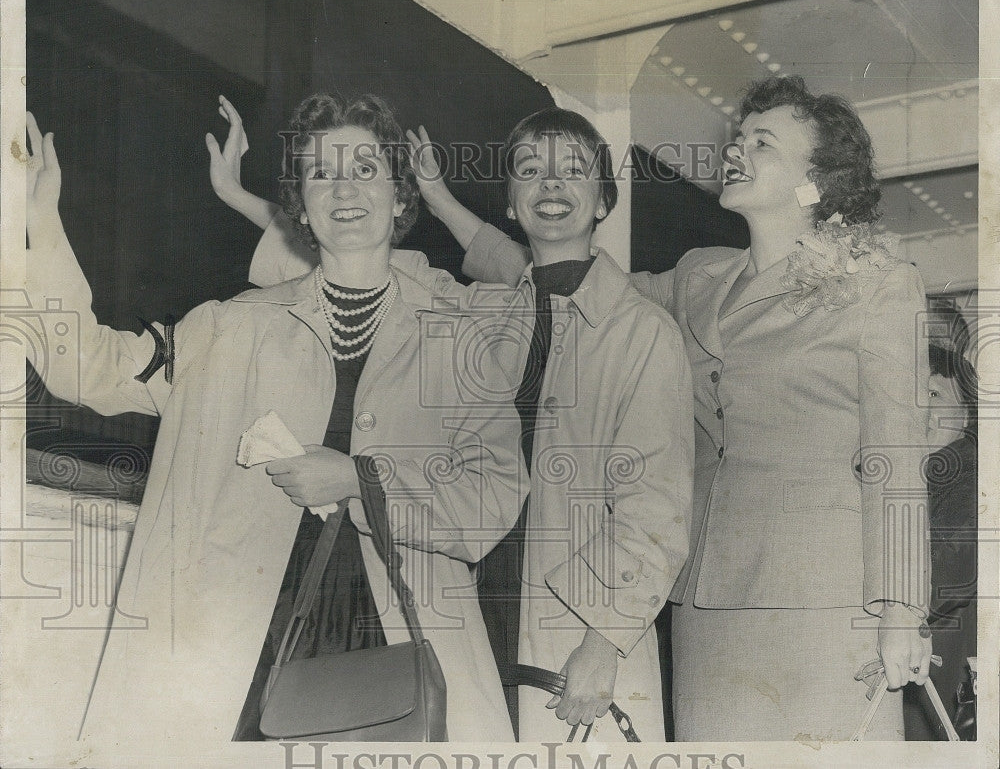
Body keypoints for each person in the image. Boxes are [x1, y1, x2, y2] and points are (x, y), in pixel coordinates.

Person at [406, 76, 935, 740]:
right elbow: (560, 276)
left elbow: (897, 460)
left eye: (761, 141)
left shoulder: (879, 287)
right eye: (737, 138)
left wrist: (901, 611)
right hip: (704, 605)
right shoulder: (696, 277)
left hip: (829, 604)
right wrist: (443, 204)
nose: (735, 150)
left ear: (816, 178)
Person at [23, 93, 524, 752]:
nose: (343, 188)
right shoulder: (230, 329)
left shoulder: (461, 343)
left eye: (365, 168)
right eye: (321, 172)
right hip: (245, 650)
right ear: (301, 207)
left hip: (403, 645)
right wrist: (40, 222)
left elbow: (492, 499)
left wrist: (357, 478)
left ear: (401, 196)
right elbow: (87, 366)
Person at [224, 105, 694, 742]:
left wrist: (605, 642)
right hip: (472, 612)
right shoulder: (471, 311)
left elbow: (656, 506)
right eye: (531, 170)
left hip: (579, 629)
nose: (551, 186)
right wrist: (243, 197)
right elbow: (353, 255)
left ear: (605, 199)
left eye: (573, 171)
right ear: (508, 203)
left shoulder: (643, 331)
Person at [903, 301, 978, 740]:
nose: (920, 411)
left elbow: (945, 580)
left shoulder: (962, 467)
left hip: (941, 660)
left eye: (933, 395)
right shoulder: (927, 469)